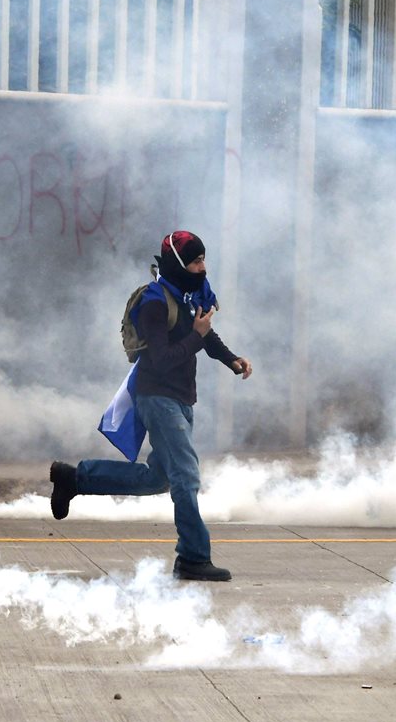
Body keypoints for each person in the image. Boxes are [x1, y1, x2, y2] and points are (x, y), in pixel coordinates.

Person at [48, 230, 252, 582]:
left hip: (180, 399)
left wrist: (231, 359)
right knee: (186, 478)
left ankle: (74, 478)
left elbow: (203, 334)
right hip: (158, 398)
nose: (203, 268)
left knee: (157, 479)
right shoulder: (155, 303)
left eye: (203, 260)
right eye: (196, 261)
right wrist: (198, 336)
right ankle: (192, 556)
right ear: (178, 263)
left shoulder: (190, 294)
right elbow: (161, 359)